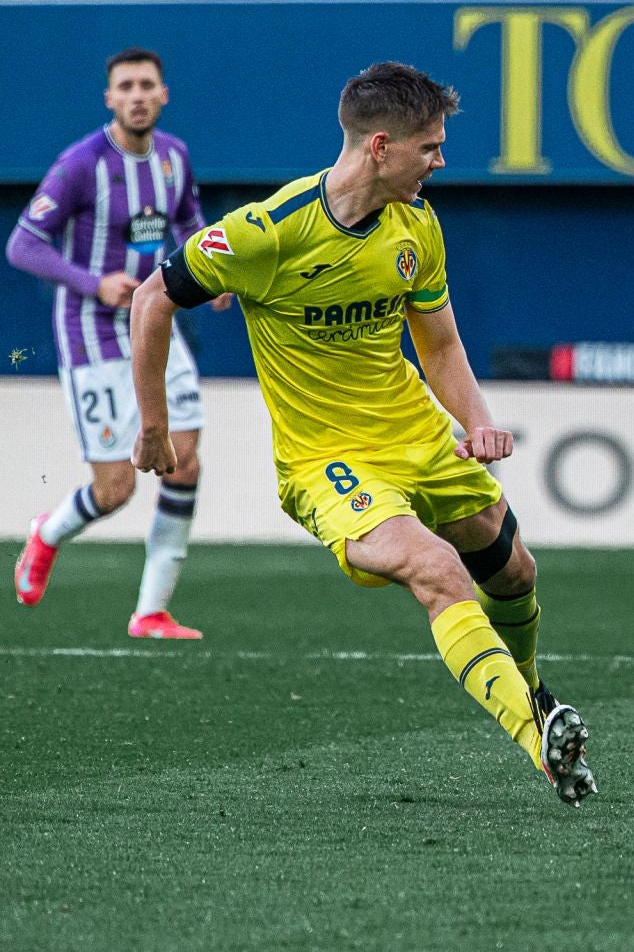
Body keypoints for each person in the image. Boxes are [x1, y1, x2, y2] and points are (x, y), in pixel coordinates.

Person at [129, 62, 598, 806]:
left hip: (416, 434)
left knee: (516, 573)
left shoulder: (417, 228)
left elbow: (439, 347)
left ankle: (536, 694)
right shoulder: (267, 231)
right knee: (439, 569)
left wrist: (477, 423)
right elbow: (154, 299)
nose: (440, 161)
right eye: (430, 147)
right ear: (380, 146)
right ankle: (538, 743)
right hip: (330, 460)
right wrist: (154, 427)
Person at [10, 49, 227, 638]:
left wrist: (214, 278)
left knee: (184, 465)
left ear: (163, 95)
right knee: (116, 489)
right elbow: (23, 245)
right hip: (92, 337)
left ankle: (151, 610)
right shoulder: (81, 165)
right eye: (125, 86)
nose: (136, 95)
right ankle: (47, 533)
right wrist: (93, 282)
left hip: (157, 327)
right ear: (109, 98)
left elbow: (187, 226)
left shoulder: (174, 158)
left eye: (146, 85)